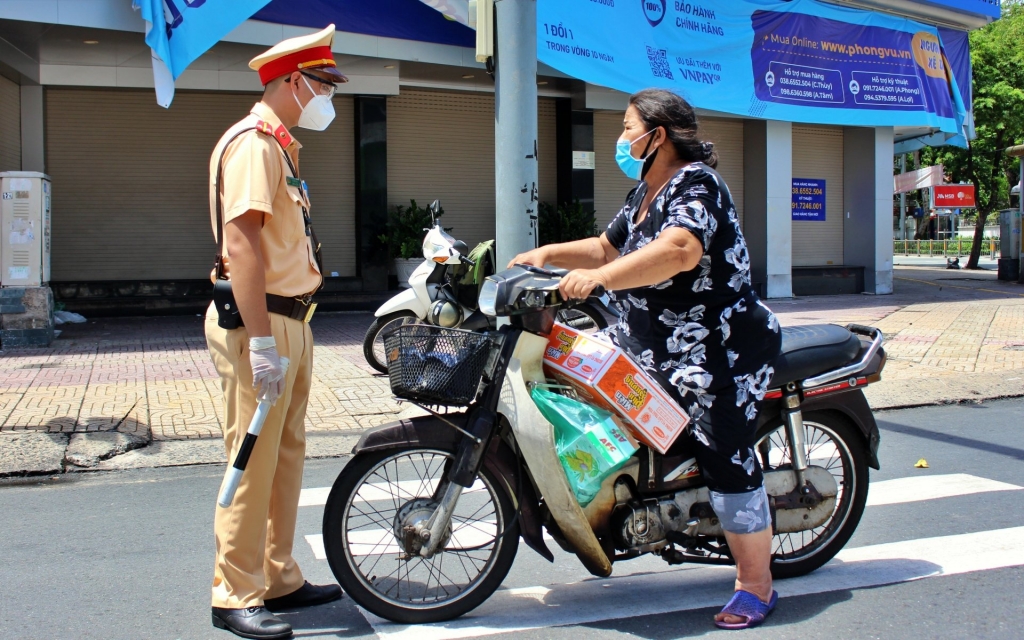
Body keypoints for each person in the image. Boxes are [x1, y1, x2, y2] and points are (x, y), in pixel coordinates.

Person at [510, 88, 782, 630]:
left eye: (629, 126)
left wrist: (600, 280)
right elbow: (609, 248)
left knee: (723, 453)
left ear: (657, 135)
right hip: (648, 343)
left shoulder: (697, 184)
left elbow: (680, 250)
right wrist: (546, 254)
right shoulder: (644, 192)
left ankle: (755, 583)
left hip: (714, 351)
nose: (622, 137)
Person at [205, 24, 347, 640]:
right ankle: (234, 591)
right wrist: (261, 341)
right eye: (323, 84)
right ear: (294, 81)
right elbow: (242, 245)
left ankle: (278, 575)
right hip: (261, 323)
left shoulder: (283, 147)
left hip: (293, 320)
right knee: (253, 456)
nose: (329, 98)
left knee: (286, 455)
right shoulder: (256, 145)